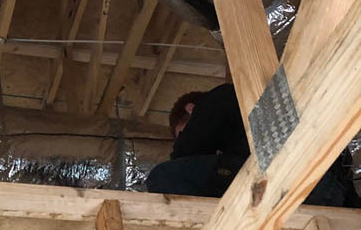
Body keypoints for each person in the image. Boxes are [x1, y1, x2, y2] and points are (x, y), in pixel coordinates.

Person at [145, 83, 359, 207]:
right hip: (326, 189)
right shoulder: (246, 114)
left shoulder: (219, 98)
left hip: (291, 176)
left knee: (162, 177)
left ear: (191, 109)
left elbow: (187, 151)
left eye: (182, 133)